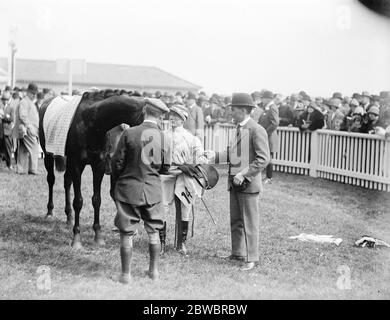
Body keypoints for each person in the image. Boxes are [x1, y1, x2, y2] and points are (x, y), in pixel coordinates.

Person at [110, 98, 171, 284]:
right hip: (152, 191)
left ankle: (126, 275)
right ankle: (153, 272)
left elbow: (116, 163)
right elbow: (166, 168)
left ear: (144, 110)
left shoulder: (130, 133)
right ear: (160, 116)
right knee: (153, 231)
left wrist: (119, 182)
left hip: (128, 189)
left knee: (126, 232)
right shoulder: (164, 137)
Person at [215, 93, 270, 271]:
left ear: (244, 111)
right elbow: (231, 154)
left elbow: (263, 159)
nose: (231, 113)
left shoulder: (257, 130)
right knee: (236, 220)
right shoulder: (238, 128)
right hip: (234, 183)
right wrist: (213, 156)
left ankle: (252, 258)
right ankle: (237, 252)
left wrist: (244, 174)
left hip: (247, 184)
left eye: (234, 110)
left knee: (250, 222)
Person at [160, 104, 211, 255]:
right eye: (172, 115)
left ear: (183, 119)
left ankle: (181, 243)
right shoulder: (163, 135)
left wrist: (192, 164)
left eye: (177, 116)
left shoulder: (191, 138)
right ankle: (161, 243)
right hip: (168, 174)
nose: (173, 119)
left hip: (185, 176)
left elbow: (201, 157)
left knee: (185, 207)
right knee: (163, 207)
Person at [16, 83, 40, 174]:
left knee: (23, 149)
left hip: (27, 129)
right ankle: (33, 169)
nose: (34, 95)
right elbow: (23, 116)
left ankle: (20, 169)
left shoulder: (29, 102)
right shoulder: (24, 102)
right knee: (34, 147)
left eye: (35, 94)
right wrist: (30, 127)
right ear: (28, 92)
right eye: (33, 93)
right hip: (26, 129)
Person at [258, 90, 279, 184]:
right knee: (265, 156)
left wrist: (265, 133)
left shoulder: (272, 107)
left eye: (262, 98)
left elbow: (275, 123)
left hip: (269, 136)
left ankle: (269, 177)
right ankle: (266, 176)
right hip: (266, 136)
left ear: (267, 99)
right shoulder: (267, 108)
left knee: (269, 157)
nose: (261, 100)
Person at [0, 91, 15, 169]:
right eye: (3, 99)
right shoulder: (1, 107)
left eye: (6, 99)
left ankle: (9, 164)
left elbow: (11, 118)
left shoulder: (10, 108)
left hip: (7, 131)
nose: (5, 101)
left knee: (8, 149)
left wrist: (4, 116)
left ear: (8, 100)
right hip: (1, 131)